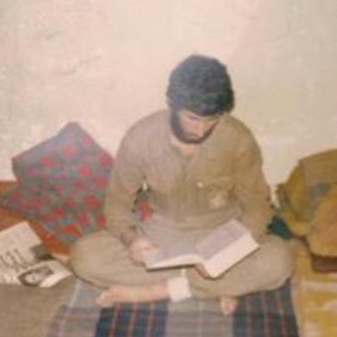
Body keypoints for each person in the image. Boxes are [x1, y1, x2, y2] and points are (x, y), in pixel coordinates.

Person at [70, 54, 293, 315]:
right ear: (172, 104)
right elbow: (117, 206)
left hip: (222, 232)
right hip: (162, 234)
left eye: (212, 120)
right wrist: (133, 240)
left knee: (279, 262)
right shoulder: (140, 137)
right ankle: (213, 286)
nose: (201, 130)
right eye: (193, 118)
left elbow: (257, 207)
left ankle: (161, 290)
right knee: (84, 257)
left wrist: (228, 254)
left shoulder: (238, 139)